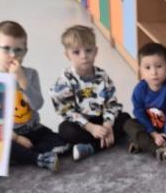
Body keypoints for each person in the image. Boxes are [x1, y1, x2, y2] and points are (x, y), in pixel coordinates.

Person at [0, 20, 64, 172]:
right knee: (2, 146)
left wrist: (23, 81)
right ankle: (38, 158)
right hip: (10, 134)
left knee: (62, 142)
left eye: (18, 50)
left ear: (25, 52)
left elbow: (37, 105)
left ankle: (24, 155)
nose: (12, 55)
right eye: (6, 49)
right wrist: (16, 138)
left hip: (33, 129)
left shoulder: (30, 74)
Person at [50, 24, 127, 162]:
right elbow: (66, 111)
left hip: (100, 118)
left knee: (125, 118)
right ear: (67, 55)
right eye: (76, 52)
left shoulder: (102, 76)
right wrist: (90, 127)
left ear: (96, 51)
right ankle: (103, 141)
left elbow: (111, 103)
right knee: (65, 130)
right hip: (80, 124)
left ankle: (92, 147)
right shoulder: (64, 80)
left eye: (88, 50)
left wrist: (107, 124)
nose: (84, 56)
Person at [124, 42, 166, 165]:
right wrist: (153, 133)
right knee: (128, 123)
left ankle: (144, 144)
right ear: (140, 70)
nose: (154, 72)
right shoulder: (139, 89)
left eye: (159, 66)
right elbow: (139, 114)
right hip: (149, 130)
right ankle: (156, 149)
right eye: (147, 68)